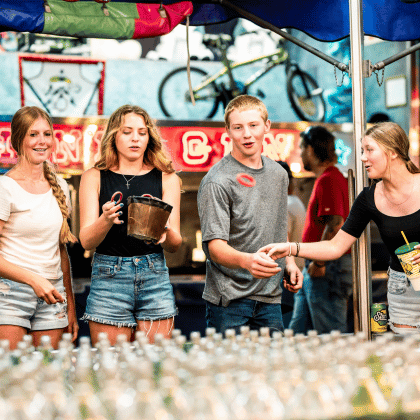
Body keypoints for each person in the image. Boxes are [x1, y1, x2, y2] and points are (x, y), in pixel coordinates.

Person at [260, 122, 420, 335]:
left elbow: (333, 225)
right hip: (401, 287)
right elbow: (336, 245)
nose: (362, 157)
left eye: (369, 150)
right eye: (362, 151)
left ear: (391, 153)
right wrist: (290, 248)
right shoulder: (369, 198)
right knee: (407, 356)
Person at [197, 95, 302, 335]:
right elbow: (214, 247)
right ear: (228, 131)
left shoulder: (278, 174)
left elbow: (278, 225)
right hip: (229, 301)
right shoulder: (217, 181)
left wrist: (290, 262)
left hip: (270, 298)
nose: (247, 134)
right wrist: (248, 261)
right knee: (232, 372)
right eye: (238, 127)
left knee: (272, 371)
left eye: (253, 125)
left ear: (266, 126)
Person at [79, 105, 182, 345]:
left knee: (155, 367)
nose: (135, 138)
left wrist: (164, 231)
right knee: (110, 368)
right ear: (113, 135)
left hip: (154, 275)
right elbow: (86, 241)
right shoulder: (93, 176)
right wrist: (105, 220)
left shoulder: (167, 178)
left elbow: (176, 244)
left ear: (149, 138)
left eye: (142, 132)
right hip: (108, 278)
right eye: (127, 132)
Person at [0, 106, 78, 349]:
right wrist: (34, 280)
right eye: (33, 134)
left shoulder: (61, 187)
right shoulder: (5, 187)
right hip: (11, 293)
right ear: (18, 140)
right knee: (10, 376)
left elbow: (60, 251)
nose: (41, 141)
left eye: (47, 134)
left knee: (49, 376)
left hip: (53, 294)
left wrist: (70, 306)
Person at [283, 126, 352, 334]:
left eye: (302, 148)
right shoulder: (328, 178)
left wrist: (320, 262)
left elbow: (336, 224)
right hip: (317, 267)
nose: (301, 154)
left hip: (327, 267)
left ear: (311, 150)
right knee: (298, 333)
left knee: (330, 336)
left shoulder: (329, 179)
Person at [277, 161, 306, 325]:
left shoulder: (285, 205)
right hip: (298, 271)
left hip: (288, 276)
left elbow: (284, 238)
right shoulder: (296, 202)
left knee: (285, 327)